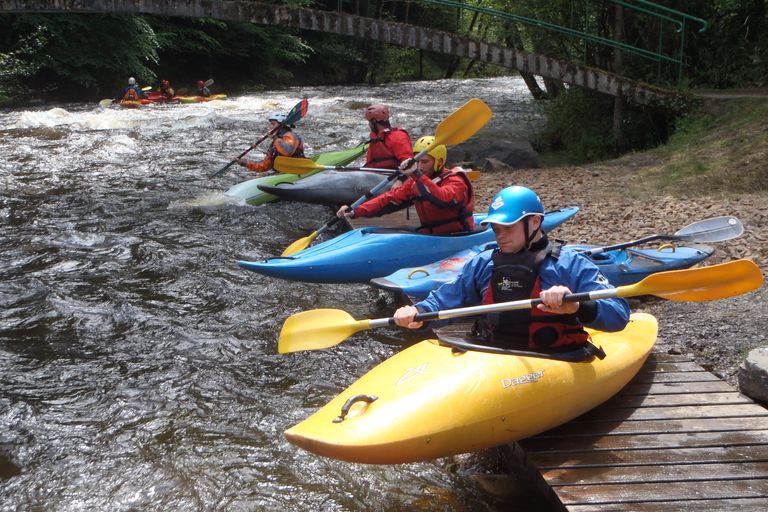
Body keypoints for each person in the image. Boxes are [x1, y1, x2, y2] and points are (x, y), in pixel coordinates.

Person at [393, 185, 631, 351]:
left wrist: (576, 305)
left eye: (507, 227)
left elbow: (618, 313)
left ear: (535, 222)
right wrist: (418, 315)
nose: (500, 236)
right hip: (494, 355)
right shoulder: (483, 263)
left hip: (558, 358)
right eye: (496, 229)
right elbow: (443, 301)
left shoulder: (570, 263)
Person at [336, 136, 474, 235]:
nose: (420, 166)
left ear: (440, 161)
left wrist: (417, 174)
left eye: (425, 162)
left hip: (457, 235)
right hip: (430, 235)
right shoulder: (415, 182)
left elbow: (443, 198)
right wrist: (356, 211)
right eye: (418, 161)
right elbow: (388, 199)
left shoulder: (455, 181)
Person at [236, 112, 305, 173]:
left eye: (273, 124)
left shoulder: (290, 136)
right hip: (283, 174)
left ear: (281, 125)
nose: (270, 127)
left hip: (297, 170)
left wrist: (274, 138)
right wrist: (245, 164)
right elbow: (265, 166)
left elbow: (287, 151)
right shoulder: (275, 144)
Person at [363, 103, 413, 169]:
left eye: (369, 122)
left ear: (374, 121)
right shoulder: (375, 138)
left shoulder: (398, 136)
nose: (369, 125)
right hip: (377, 175)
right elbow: (369, 163)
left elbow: (408, 162)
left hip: (395, 176)